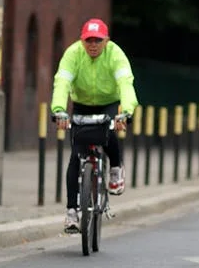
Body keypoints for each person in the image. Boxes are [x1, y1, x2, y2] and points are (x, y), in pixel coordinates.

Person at [50, 18, 139, 234]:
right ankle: (71, 212)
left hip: (108, 102)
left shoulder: (115, 54)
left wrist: (126, 111)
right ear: (82, 41)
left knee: (109, 133)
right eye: (88, 40)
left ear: (106, 40)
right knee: (75, 156)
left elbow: (125, 83)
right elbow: (62, 81)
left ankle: (116, 168)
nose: (92, 45)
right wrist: (59, 110)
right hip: (81, 104)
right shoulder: (73, 54)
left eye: (97, 40)